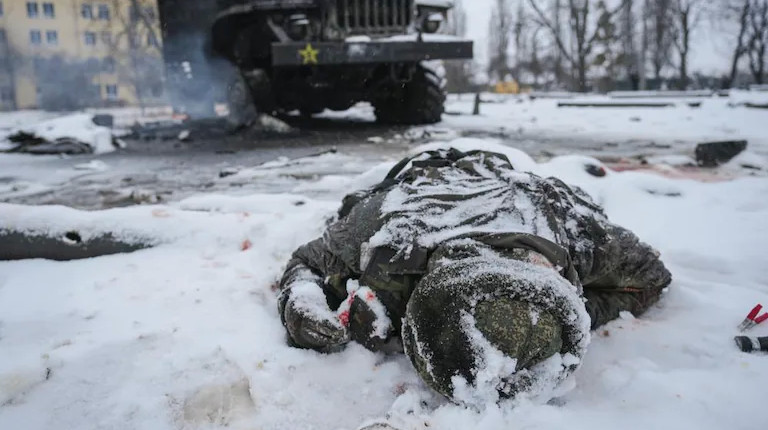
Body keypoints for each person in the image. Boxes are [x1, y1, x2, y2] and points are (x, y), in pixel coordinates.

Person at [277, 148, 671, 403]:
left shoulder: (578, 232)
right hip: (424, 172)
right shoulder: (387, 228)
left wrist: (582, 311)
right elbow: (307, 261)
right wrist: (302, 307)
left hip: (514, 176)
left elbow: (652, 279)